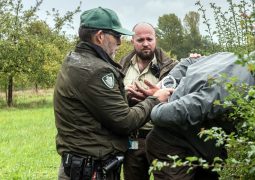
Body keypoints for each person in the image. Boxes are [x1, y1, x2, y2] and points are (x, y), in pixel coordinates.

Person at [54, 7, 173, 180]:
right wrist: (155, 99)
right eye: (116, 36)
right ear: (100, 36)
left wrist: (122, 96)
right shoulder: (97, 70)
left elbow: (94, 105)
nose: (119, 42)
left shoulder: (74, 60)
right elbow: (124, 121)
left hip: (80, 164)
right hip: (91, 168)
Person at [143, 42, 255, 179]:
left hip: (203, 152)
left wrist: (168, 85)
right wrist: (157, 106)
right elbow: (189, 107)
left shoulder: (227, 56)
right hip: (172, 146)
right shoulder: (240, 85)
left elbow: (189, 61)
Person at [119, 22, 177, 180]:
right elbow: (112, 102)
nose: (145, 44)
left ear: (156, 39)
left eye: (149, 39)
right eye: (140, 40)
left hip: (163, 138)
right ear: (132, 41)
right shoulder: (120, 67)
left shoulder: (172, 68)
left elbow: (180, 100)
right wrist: (125, 96)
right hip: (133, 140)